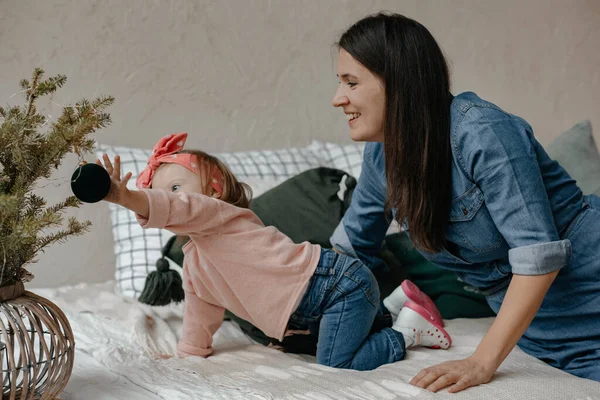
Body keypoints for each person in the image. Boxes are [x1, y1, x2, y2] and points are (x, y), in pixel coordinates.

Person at [329, 11, 600, 392]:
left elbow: (537, 256)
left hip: (589, 281)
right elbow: (351, 250)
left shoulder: (481, 132)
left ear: (399, 83)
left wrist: (480, 362)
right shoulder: (381, 159)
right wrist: (300, 312)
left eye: (351, 83)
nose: (337, 98)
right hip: (542, 331)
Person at [95, 132, 452, 371]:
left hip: (337, 284)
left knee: (336, 363)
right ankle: (393, 306)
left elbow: (180, 208)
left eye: (175, 188)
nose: (170, 198)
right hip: (325, 304)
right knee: (327, 340)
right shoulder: (194, 265)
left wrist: (125, 197)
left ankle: (407, 332)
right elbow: (200, 317)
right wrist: (187, 356)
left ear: (214, 189)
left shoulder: (220, 216)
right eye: (161, 192)